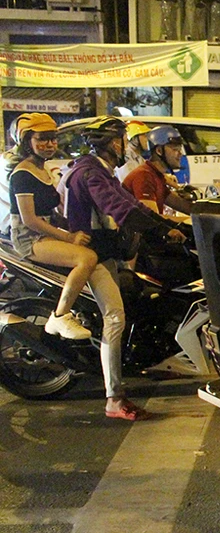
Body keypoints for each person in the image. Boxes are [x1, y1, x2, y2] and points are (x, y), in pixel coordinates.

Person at [62, 116, 187, 421]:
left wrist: (167, 227)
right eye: (122, 140)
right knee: (115, 317)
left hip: (105, 251)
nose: (127, 146)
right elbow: (119, 209)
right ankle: (114, 399)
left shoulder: (102, 171)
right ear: (111, 143)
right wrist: (161, 231)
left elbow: (132, 204)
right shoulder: (91, 173)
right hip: (91, 254)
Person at [7, 113, 97, 341]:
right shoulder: (22, 174)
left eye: (53, 138)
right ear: (27, 141)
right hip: (29, 238)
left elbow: (52, 213)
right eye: (42, 139)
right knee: (86, 258)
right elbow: (30, 220)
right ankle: (60, 316)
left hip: (45, 232)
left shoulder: (42, 169)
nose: (50, 144)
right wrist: (68, 238)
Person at [122, 125, 194, 217]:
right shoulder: (144, 176)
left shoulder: (156, 175)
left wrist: (206, 210)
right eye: (175, 149)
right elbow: (151, 218)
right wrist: (186, 222)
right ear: (159, 151)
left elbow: (181, 205)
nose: (180, 154)